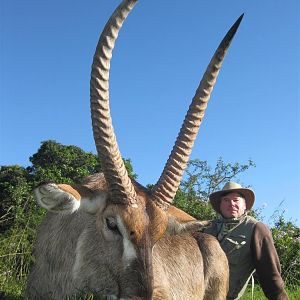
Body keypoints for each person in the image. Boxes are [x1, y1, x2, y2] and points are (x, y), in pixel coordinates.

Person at [203, 181, 288, 300]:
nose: (231, 204)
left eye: (236, 200)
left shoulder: (256, 229)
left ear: (245, 205)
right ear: (220, 206)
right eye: (226, 200)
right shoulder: (207, 228)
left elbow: (271, 276)